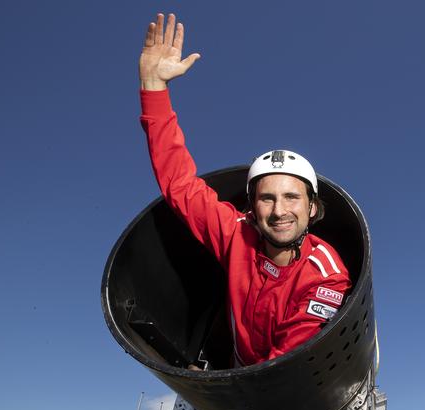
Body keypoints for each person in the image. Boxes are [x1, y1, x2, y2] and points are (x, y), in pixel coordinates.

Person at [139, 13, 351, 367]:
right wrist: (153, 87)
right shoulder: (236, 233)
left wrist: (228, 392)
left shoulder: (327, 273)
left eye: (292, 197)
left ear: (313, 208)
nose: (279, 210)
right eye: (267, 197)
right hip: (242, 377)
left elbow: (286, 361)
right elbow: (178, 183)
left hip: (277, 387)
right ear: (252, 207)